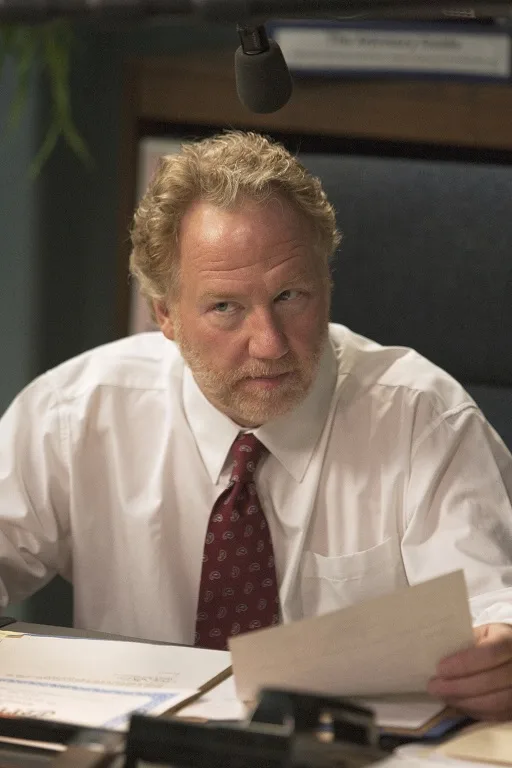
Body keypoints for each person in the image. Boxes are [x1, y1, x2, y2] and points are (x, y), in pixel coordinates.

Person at [1, 131, 512, 720]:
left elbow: (491, 609)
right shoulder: (75, 414)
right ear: (165, 314)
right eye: (226, 307)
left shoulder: (423, 418)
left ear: (326, 283)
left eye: (291, 296)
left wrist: (498, 658)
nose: (269, 345)